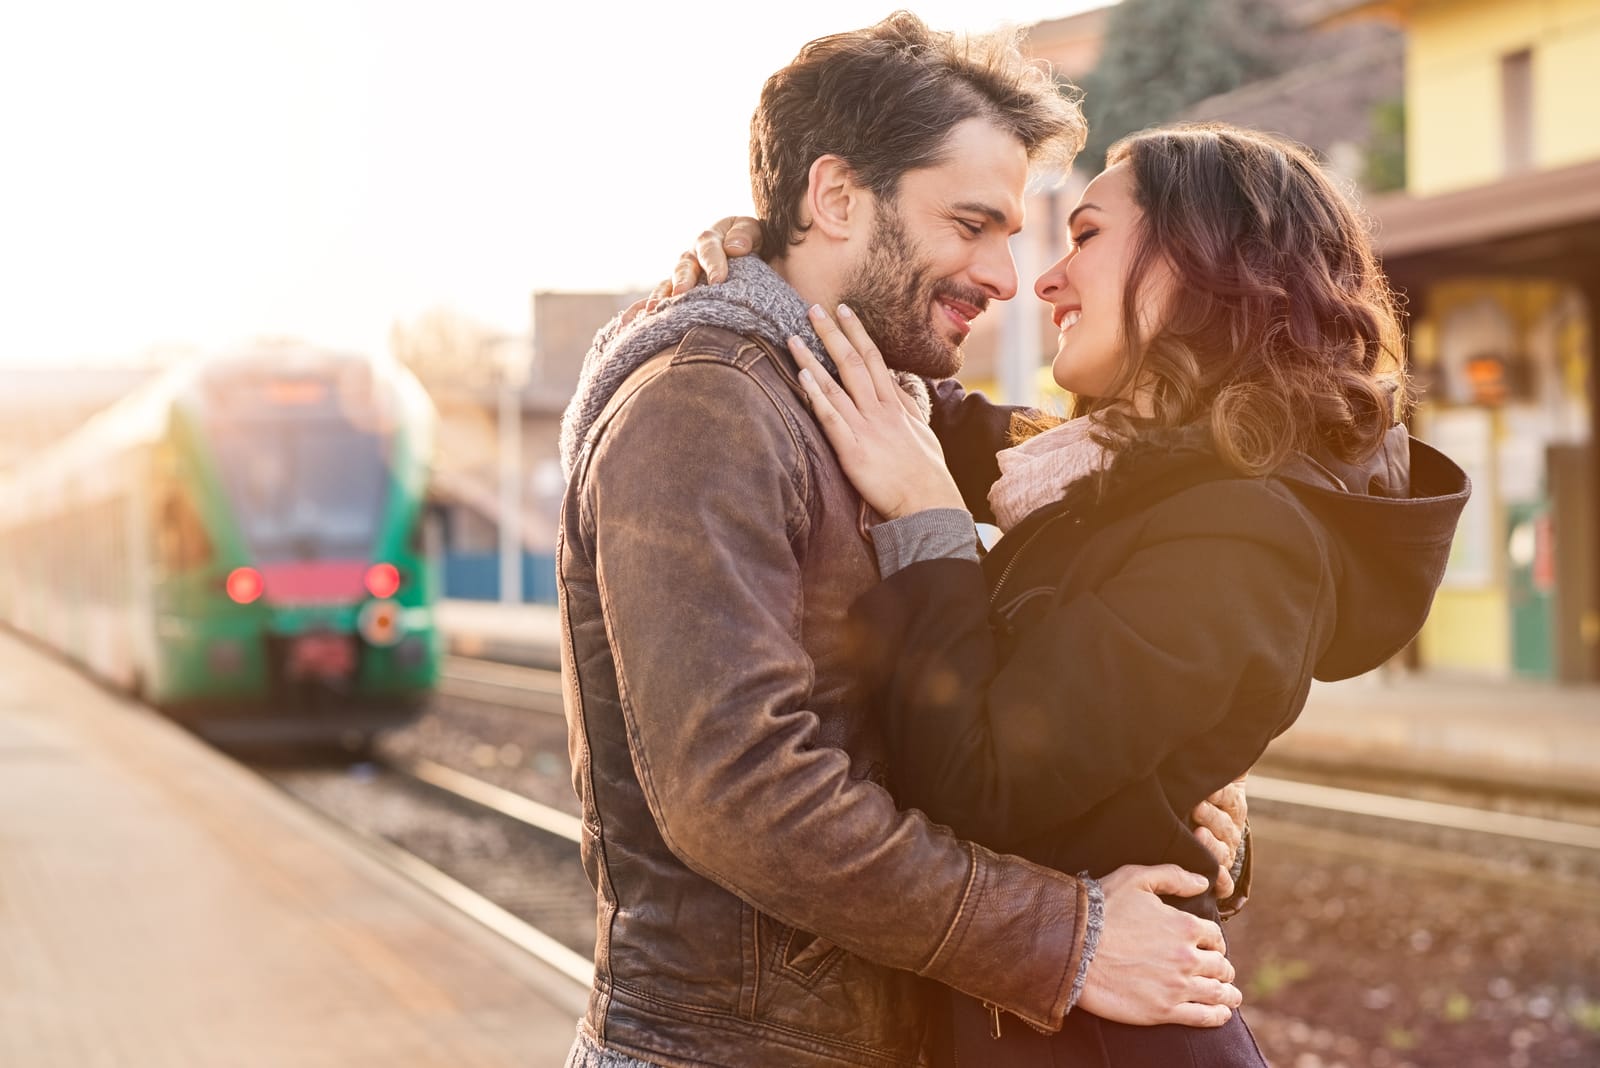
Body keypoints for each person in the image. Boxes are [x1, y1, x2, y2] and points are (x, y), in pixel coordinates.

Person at [557, 15, 1249, 1068]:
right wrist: (1067, 938)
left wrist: (1167, 779)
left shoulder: (873, 403)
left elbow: (994, 685)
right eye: (970, 224)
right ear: (837, 197)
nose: (1007, 276)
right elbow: (736, 792)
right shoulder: (702, 408)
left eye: (1011, 233)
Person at [702, 124, 1464, 1064]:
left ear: (1205, 262)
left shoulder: (1245, 535)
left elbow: (981, 783)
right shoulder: (1100, 474)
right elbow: (899, 387)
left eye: (1087, 236)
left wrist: (930, 523)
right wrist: (782, 270)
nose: (1044, 280)